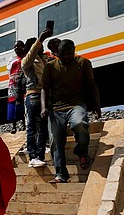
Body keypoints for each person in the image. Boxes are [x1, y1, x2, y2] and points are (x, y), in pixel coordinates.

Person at [41, 40, 101, 183]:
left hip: (76, 104)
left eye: (70, 53)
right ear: (57, 54)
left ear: (74, 50)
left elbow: (92, 85)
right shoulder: (50, 67)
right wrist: (43, 107)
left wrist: (97, 105)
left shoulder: (83, 63)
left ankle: (81, 150)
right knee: (55, 140)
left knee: (80, 124)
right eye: (63, 54)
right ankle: (61, 174)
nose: (67, 56)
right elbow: (44, 89)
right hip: (56, 108)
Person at [21, 29, 52, 168]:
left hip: (45, 95)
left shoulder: (44, 60)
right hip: (33, 95)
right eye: (38, 46)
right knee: (32, 127)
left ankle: (39, 156)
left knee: (43, 128)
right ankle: (32, 156)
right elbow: (31, 55)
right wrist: (39, 40)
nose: (42, 48)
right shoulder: (27, 62)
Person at [6, 41, 26, 133]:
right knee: (12, 103)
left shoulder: (27, 57)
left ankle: (24, 123)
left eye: (18, 46)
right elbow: (9, 71)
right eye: (15, 47)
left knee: (23, 102)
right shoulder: (12, 59)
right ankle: (13, 126)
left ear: (23, 47)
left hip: (23, 83)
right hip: (13, 84)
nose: (16, 48)